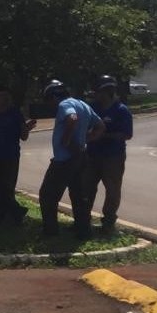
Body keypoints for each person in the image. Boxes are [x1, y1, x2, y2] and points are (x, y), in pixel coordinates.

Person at [37, 80, 105, 239]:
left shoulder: (64, 105)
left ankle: (50, 232)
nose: (50, 105)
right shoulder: (83, 104)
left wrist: (67, 141)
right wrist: (86, 139)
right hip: (81, 157)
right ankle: (83, 231)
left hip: (64, 160)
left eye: (49, 100)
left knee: (47, 195)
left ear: (54, 96)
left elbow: (72, 118)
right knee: (78, 196)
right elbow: (101, 126)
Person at [0, 85, 36, 226]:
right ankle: (16, 210)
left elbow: (24, 137)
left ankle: (1, 220)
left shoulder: (15, 114)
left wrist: (27, 128)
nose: (5, 98)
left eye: (7, 95)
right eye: (2, 95)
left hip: (11, 157)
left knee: (7, 188)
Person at [85, 75, 133, 233]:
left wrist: (102, 135)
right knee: (87, 187)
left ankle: (108, 221)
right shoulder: (92, 107)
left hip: (113, 156)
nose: (96, 95)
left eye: (99, 92)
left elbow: (126, 134)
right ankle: (84, 220)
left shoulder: (121, 110)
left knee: (112, 189)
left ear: (108, 91)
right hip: (92, 155)